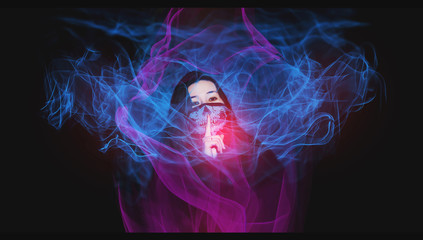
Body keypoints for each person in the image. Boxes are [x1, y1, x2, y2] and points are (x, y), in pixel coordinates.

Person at [115, 71, 299, 232]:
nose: (207, 110)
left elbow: (269, 205)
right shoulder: (166, 167)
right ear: (180, 115)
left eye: (212, 99)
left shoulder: (258, 155)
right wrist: (206, 165)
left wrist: (224, 167)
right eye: (195, 104)